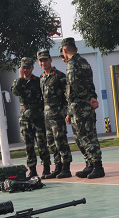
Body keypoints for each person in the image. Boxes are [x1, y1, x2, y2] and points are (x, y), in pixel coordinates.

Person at [61, 37, 105, 179]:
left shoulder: (72, 64)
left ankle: (97, 166)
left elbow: (74, 86)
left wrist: (86, 99)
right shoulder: (85, 62)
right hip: (84, 105)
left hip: (80, 106)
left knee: (86, 137)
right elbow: (90, 84)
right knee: (85, 136)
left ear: (64, 50)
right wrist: (92, 99)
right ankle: (90, 165)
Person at [11, 57, 50, 178]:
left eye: (28, 67)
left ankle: (46, 168)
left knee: (42, 143)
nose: (26, 70)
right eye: (24, 67)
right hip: (24, 118)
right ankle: (32, 169)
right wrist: (20, 78)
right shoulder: (18, 82)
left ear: (32, 68)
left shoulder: (38, 81)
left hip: (37, 116)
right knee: (28, 145)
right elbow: (15, 92)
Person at [37, 50, 72, 179]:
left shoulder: (59, 76)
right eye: (41, 60)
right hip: (47, 116)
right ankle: (58, 167)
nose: (43, 62)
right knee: (51, 143)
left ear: (51, 60)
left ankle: (66, 168)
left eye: (45, 60)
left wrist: (67, 113)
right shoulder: (42, 78)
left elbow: (67, 97)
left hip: (57, 115)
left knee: (60, 141)